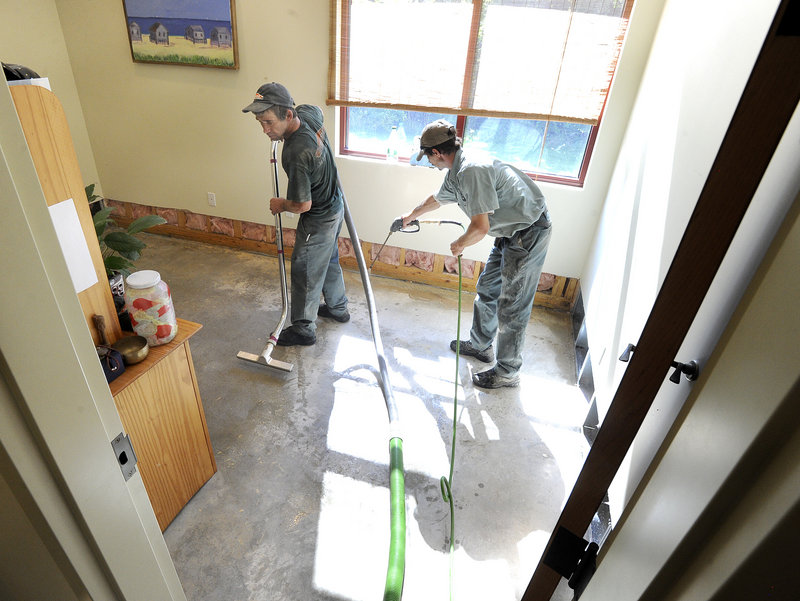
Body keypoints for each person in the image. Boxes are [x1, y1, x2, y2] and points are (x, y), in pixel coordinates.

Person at [401, 119, 552, 389]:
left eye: (428, 157)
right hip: (508, 231)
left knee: (512, 305)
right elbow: (438, 198)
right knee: (488, 288)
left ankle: (508, 372)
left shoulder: (471, 170)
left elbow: (480, 228)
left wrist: (460, 243)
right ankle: (482, 346)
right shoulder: (456, 171)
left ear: (437, 153)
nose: (429, 163)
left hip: (528, 230)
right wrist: (411, 215)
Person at [242, 82, 349, 346]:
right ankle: (338, 308)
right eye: (260, 123)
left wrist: (280, 203)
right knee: (328, 259)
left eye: (268, 122)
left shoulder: (295, 152)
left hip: (320, 218)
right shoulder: (308, 114)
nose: (265, 130)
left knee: (305, 269)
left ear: (288, 115)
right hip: (336, 205)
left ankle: (303, 328)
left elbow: (302, 205)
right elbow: (316, 110)